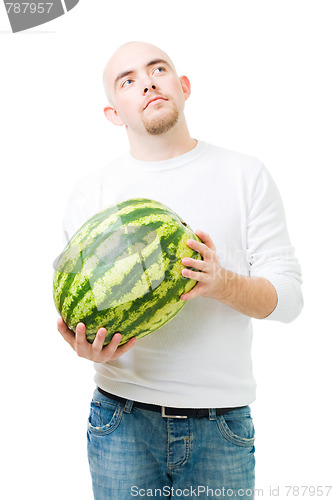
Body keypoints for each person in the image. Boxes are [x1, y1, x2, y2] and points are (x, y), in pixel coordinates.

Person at [57, 41, 303, 499]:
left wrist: (222, 282)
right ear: (114, 113)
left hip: (221, 426)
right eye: (127, 80)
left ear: (183, 86)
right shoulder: (92, 192)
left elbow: (289, 300)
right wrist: (87, 345)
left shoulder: (245, 174)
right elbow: (81, 304)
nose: (147, 81)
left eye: (158, 69)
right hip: (120, 421)